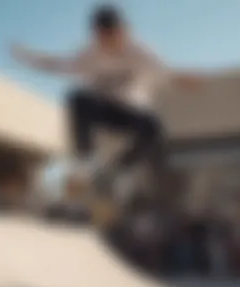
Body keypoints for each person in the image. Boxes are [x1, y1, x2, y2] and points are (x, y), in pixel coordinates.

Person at [10, 4, 204, 197]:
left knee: (154, 126)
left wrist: (181, 80)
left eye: (115, 35)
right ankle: (85, 160)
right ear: (97, 35)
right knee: (77, 98)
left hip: (129, 111)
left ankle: (122, 169)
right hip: (102, 110)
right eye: (104, 37)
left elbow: (163, 71)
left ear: (123, 31)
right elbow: (57, 65)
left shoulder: (140, 50)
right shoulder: (89, 54)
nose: (111, 42)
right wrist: (28, 57)